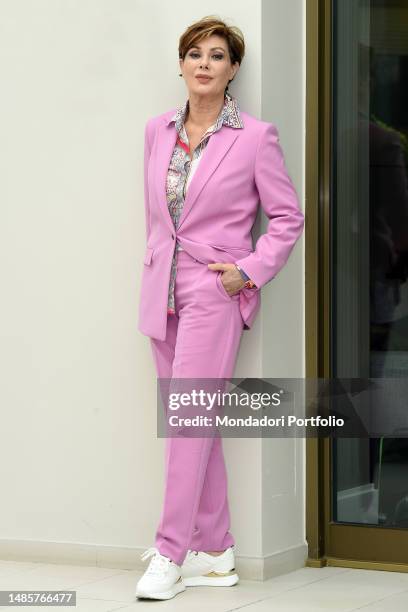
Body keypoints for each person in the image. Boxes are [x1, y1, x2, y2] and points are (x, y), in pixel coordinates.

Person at [135, 15, 305, 600]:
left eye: (216, 55)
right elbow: (159, 215)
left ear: (233, 70)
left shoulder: (256, 136)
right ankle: (215, 550)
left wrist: (248, 272)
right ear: (181, 65)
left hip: (214, 288)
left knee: (187, 421)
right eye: (194, 54)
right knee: (192, 422)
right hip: (163, 291)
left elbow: (287, 217)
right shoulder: (158, 130)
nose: (203, 63)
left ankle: (169, 552)